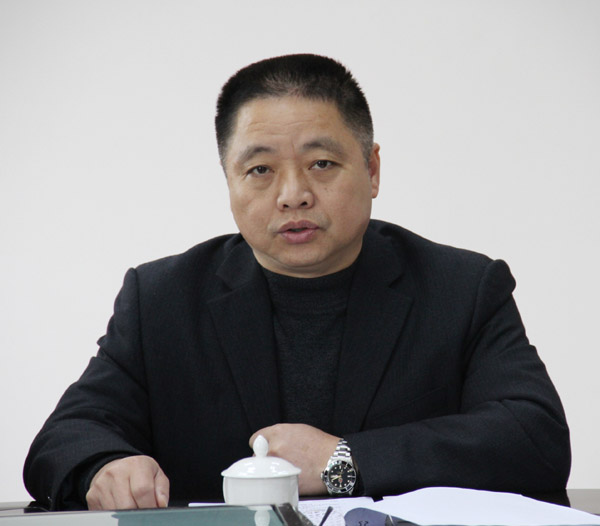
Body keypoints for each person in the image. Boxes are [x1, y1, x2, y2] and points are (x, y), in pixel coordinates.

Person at [24, 54, 571, 511]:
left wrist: (343, 462)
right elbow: (66, 436)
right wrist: (105, 465)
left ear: (373, 170)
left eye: (322, 164)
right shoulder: (162, 298)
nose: (293, 195)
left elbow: (534, 438)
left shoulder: (462, 288)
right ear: (229, 181)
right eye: (260, 170)